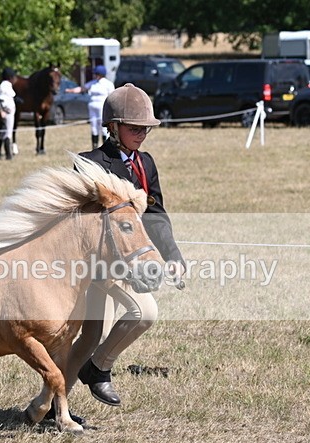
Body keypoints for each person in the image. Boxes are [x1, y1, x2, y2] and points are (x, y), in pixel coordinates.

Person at [66, 83, 186, 420]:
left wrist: (173, 256)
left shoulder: (145, 164)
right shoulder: (90, 164)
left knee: (91, 336)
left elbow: (156, 215)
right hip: (100, 266)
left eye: (146, 129)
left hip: (133, 260)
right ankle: (98, 370)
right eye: (135, 128)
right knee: (144, 313)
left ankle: (47, 405)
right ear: (113, 127)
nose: (142, 134)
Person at [65, 64, 115, 149]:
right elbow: (82, 88)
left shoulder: (108, 84)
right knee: (94, 127)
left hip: (102, 107)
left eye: (96, 73)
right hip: (92, 107)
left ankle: (106, 147)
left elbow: (112, 96)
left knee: (103, 127)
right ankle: (94, 147)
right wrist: (70, 90)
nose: (94, 75)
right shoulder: (93, 83)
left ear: (100, 74)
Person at [0, 67, 17, 160]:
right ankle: (8, 155)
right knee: (7, 132)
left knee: (3, 132)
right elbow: (1, 99)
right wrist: (3, 110)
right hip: (7, 112)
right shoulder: (5, 85)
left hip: (8, 111)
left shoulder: (5, 85)